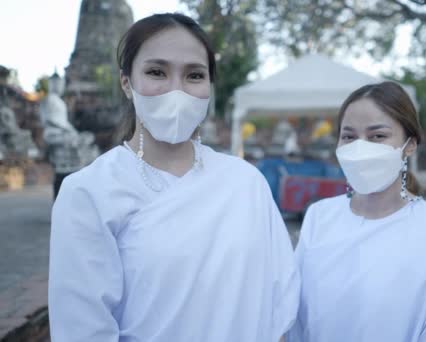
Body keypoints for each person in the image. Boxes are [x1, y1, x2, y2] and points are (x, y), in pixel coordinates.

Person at [48, 13, 299, 342]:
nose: (176, 90)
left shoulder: (245, 183)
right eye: (157, 72)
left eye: (194, 75)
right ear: (127, 83)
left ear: (209, 87)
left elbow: (280, 300)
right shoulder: (89, 191)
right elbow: (82, 328)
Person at [287, 81, 426, 342]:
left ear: (410, 144)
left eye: (377, 136)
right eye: (349, 136)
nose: (360, 149)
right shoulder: (319, 218)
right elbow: (294, 318)